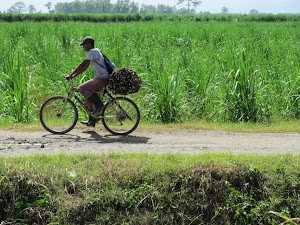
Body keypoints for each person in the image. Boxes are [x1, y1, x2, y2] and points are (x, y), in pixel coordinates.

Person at [65, 36, 109, 127]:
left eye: (84, 45)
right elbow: (85, 67)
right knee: (87, 97)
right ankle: (92, 120)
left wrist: (70, 75)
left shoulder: (92, 51)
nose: (83, 47)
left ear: (89, 45)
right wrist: (74, 75)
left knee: (81, 88)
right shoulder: (95, 51)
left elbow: (83, 64)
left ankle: (99, 104)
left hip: (102, 78)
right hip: (101, 78)